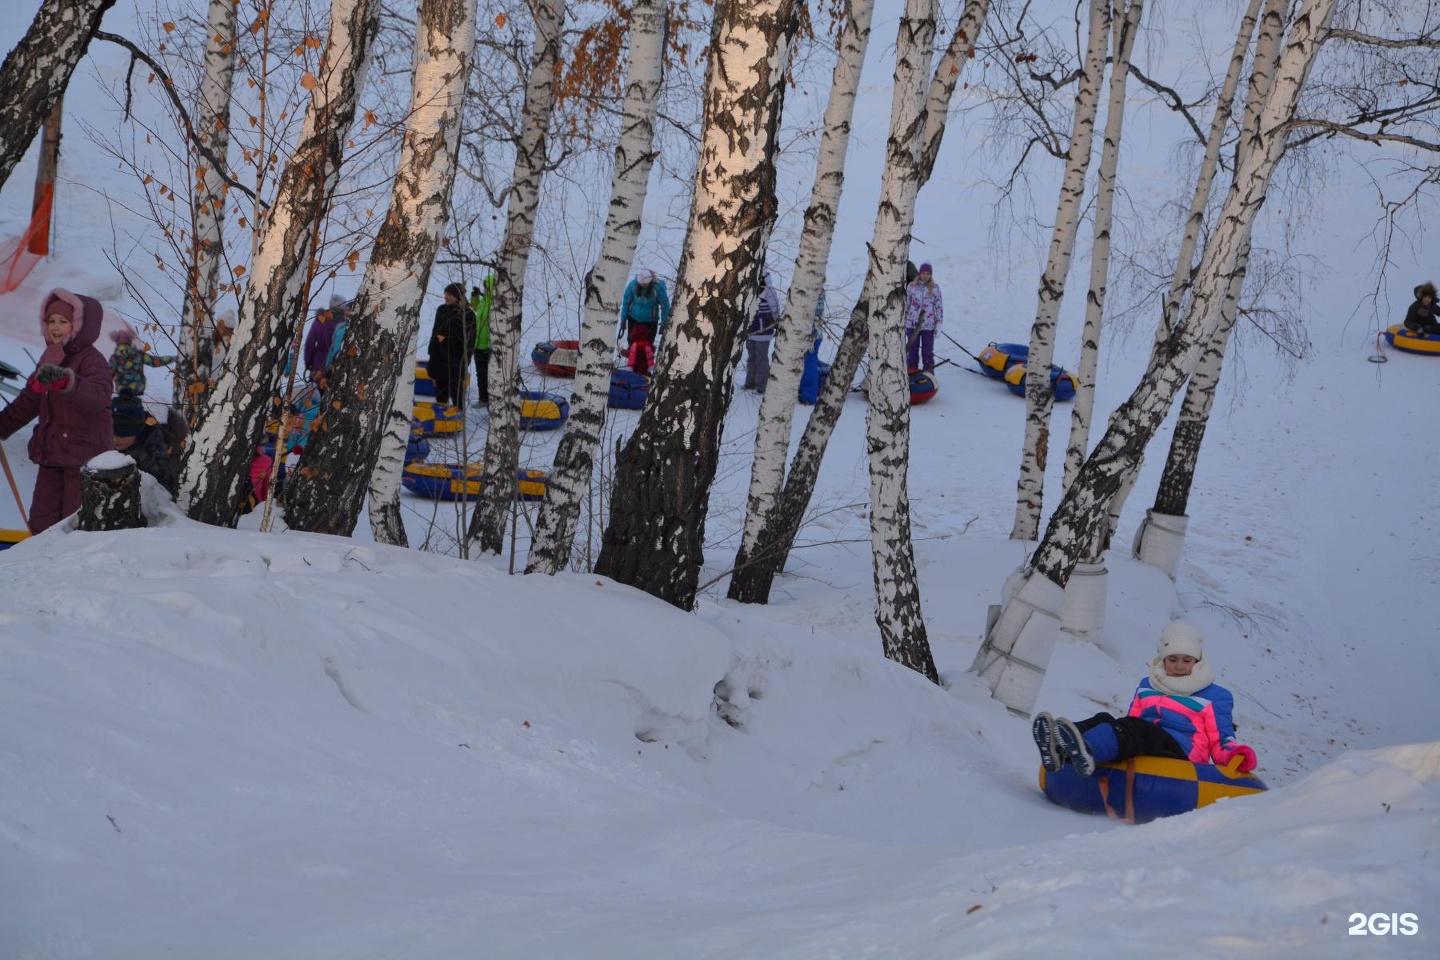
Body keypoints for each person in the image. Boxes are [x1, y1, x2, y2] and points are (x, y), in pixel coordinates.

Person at [1032, 620, 1258, 778]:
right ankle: (1059, 746)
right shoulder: (1147, 686)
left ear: (1197, 661)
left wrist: (1234, 755)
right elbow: (1128, 724)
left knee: (1137, 728)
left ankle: (1088, 750)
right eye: (1173, 659)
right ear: (1163, 660)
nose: (1179, 666)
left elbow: (1221, 739)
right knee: (1105, 718)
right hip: (1147, 741)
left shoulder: (1215, 696)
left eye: (1186, 660)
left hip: (1182, 754)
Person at [0, 288, 115, 533]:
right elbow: (29, 401)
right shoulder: (50, 357)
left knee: (74, 521)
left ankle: (74, 567)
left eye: (63, 322)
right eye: (51, 321)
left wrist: (68, 382)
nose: (55, 327)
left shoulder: (91, 360)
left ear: (80, 327)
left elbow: (99, 398)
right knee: (42, 520)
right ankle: (42, 564)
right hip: (51, 455)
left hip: (83, 458)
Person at [111, 395, 177, 496]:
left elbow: (162, 497)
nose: (116, 439)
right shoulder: (100, 442)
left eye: (124, 434)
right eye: (112, 432)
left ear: (138, 431)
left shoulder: (154, 456)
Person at [427, 282, 473, 409]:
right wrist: (433, 348)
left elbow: (470, 342)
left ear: (457, 296)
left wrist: (465, 361)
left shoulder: (468, 314)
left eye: (450, 295)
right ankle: (441, 420)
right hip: (440, 358)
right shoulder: (441, 310)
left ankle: (458, 421)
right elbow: (435, 331)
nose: (446, 297)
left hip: (456, 360)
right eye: (445, 294)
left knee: (457, 392)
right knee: (441, 393)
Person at [621, 268, 670, 377]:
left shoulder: (658, 289)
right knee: (633, 346)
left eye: (645, 284)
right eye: (641, 284)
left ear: (650, 281)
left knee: (648, 348)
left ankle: (647, 370)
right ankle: (632, 369)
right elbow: (626, 302)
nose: (643, 286)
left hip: (650, 322)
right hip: (633, 319)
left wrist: (664, 322)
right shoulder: (633, 286)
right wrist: (623, 319)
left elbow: (665, 305)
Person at [108, 325, 176, 399]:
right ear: (130, 341)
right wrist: (172, 358)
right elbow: (155, 362)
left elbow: (107, 375)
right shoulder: (139, 354)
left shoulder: (115, 358)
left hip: (122, 391)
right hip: (137, 389)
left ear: (117, 342)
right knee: (136, 407)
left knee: (122, 408)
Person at [744, 271, 781, 393]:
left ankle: (761, 386)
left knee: (761, 359)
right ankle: (750, 382)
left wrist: (776, 323)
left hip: (763, 332)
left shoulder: (769, 292)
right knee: (751, 357)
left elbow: (775, 308)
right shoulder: (748, 288)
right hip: (750, 331)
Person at [904, 262, 943, 372]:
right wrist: (904, 320)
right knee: (912, 351)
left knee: (927, 352)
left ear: (930, 275)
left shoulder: (935, 288)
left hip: (928, 326)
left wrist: (938, 323)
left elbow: (939, 306)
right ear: (919, 273)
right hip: (912, 325)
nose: (925, 275)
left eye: (927, 273)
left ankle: (928, 374)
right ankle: (911, 373)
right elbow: (907, 304)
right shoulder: (911, 286)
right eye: (923, 273)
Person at [303, 295, 346, 383]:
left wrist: (308, 363)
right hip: (334, 365)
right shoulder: (344, 326)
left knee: (313, 393)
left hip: (317, 363)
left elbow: (309, 345)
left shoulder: (320, 321)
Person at [470, 274, 495, 403]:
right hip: (478, 344)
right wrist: (474, 296)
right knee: (480, 374)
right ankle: (483, 399)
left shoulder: (495, 304)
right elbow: (475, 307)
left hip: (489, 347)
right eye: (484, 287)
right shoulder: (484, 301)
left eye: (486, 287)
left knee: (490, 376)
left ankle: (492, 401)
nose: (484, 289)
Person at [798, 291, 826, 405]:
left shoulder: (813, 293)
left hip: (811, 336)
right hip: (813, 334)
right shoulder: (817, 291)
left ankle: (809, 396)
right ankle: (805, 391)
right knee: (808, 363)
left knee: (809, 365)